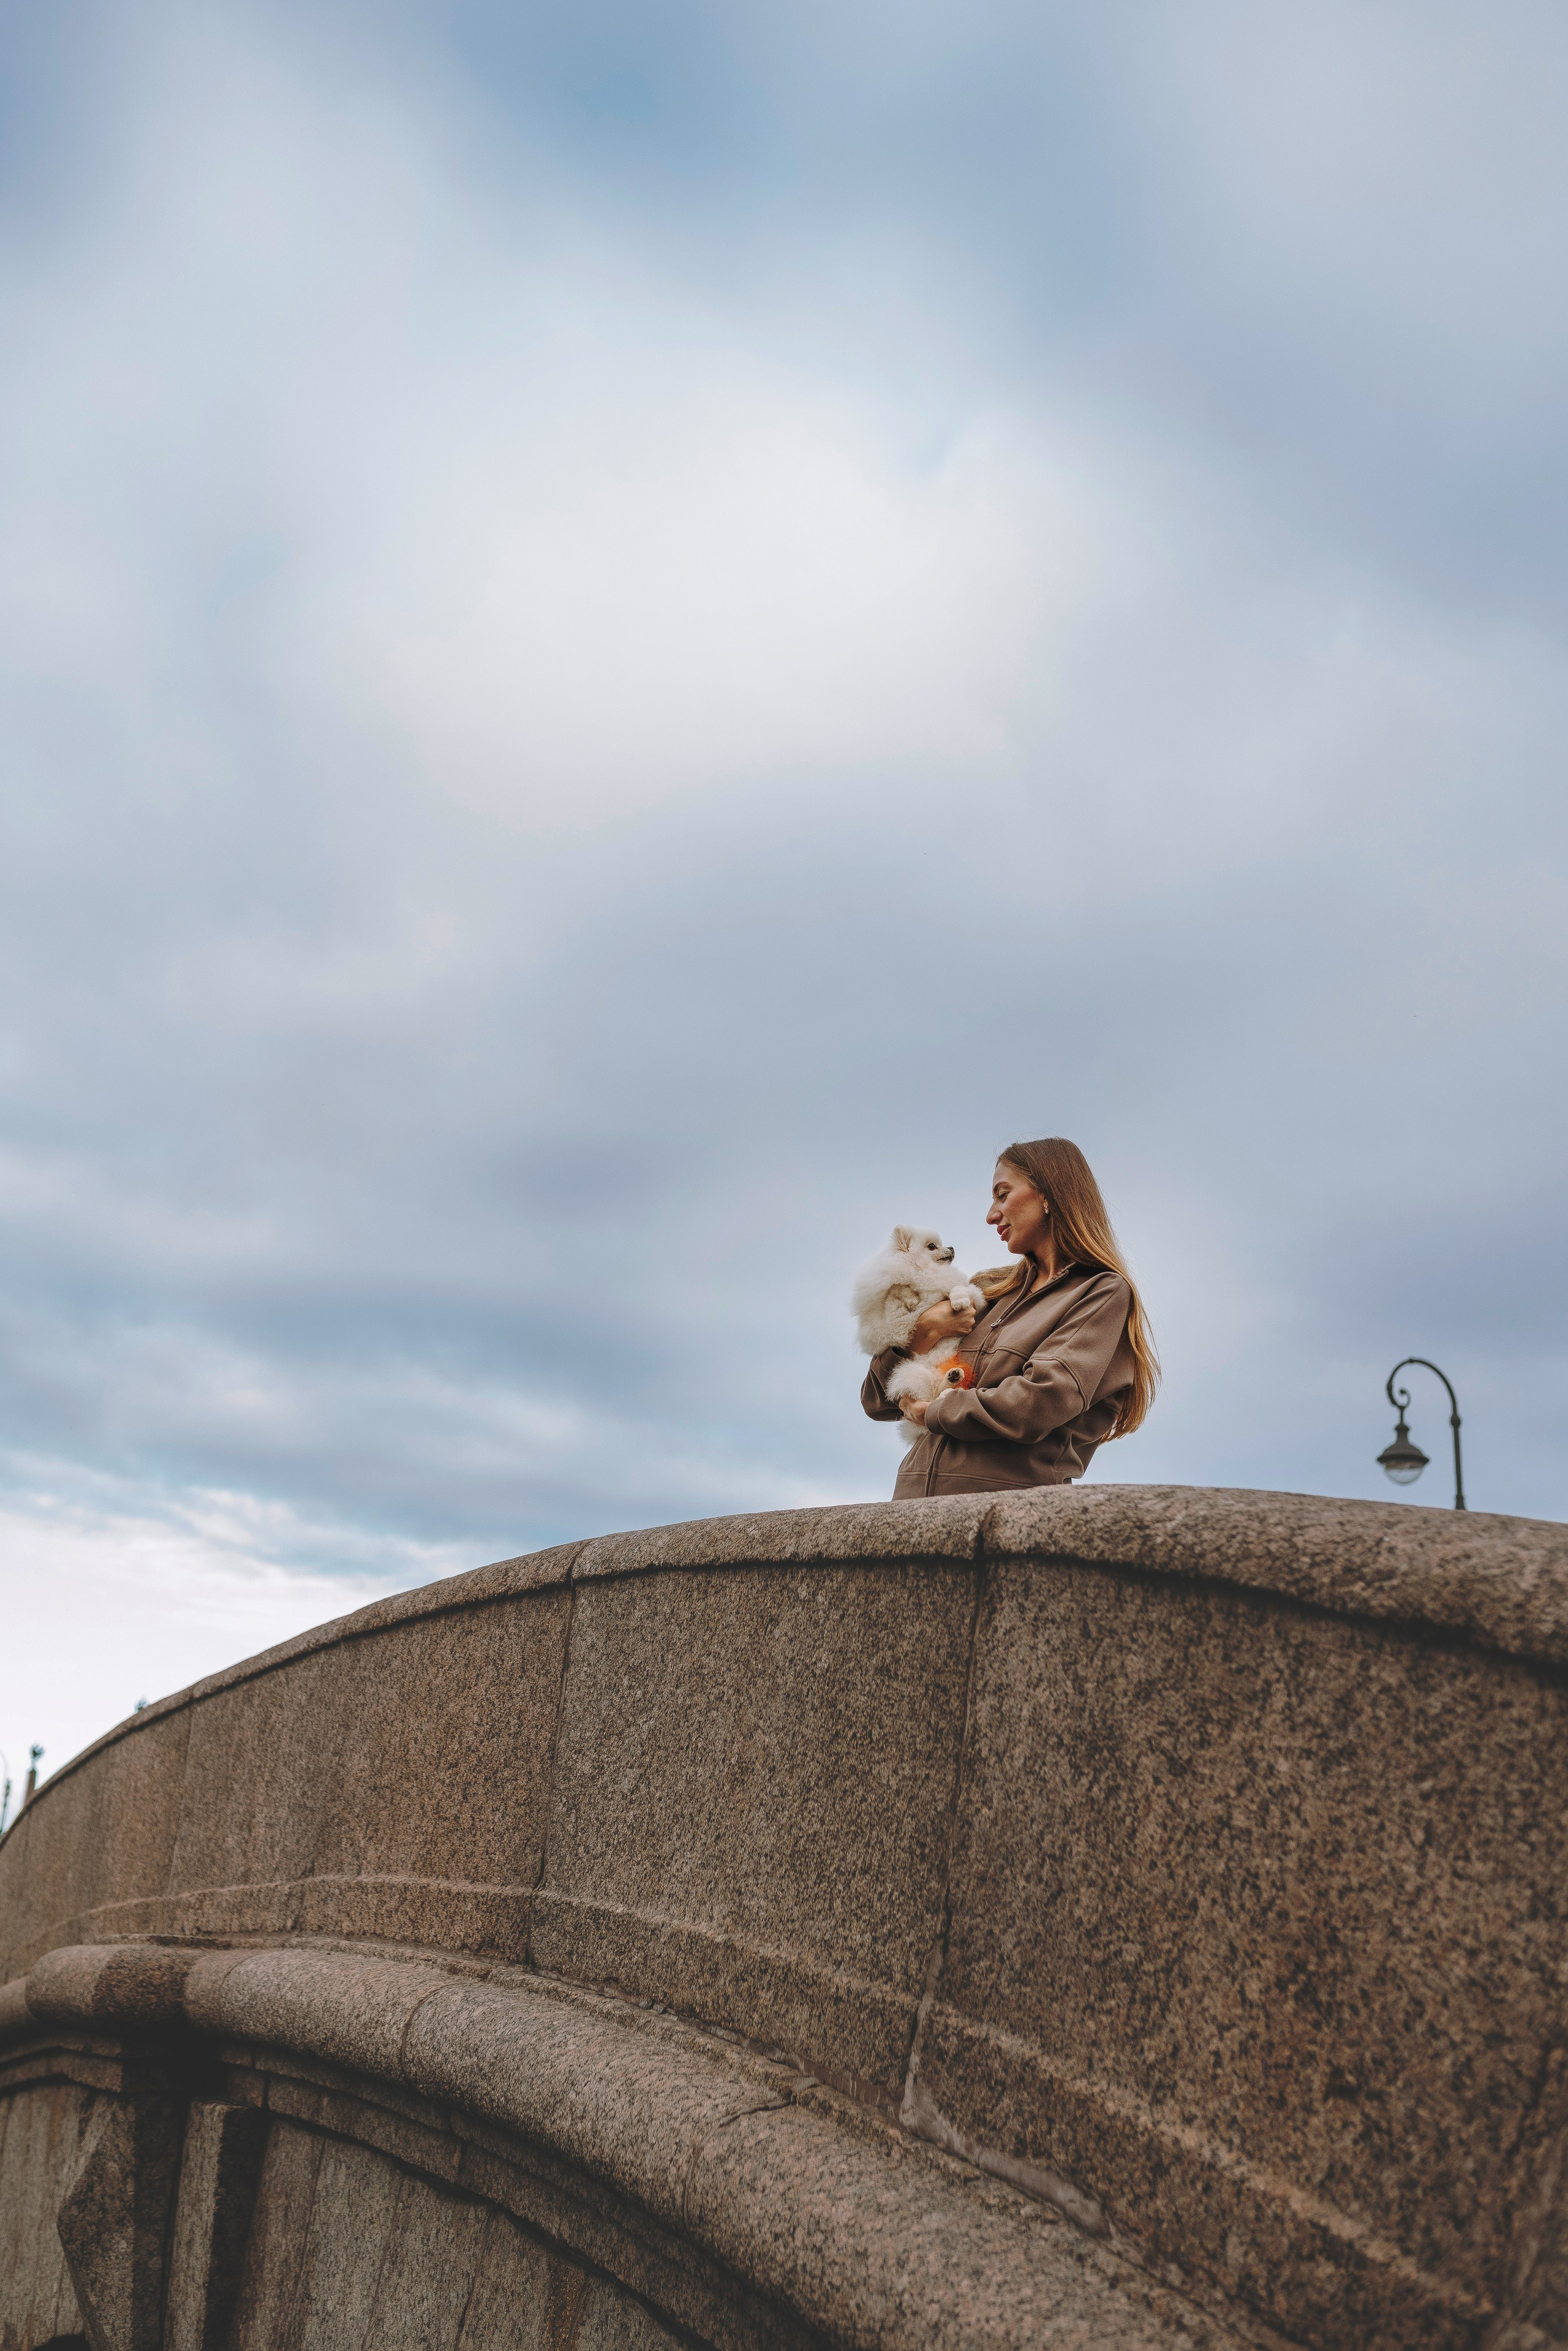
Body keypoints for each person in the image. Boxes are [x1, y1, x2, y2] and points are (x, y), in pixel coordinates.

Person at [860, 1137, 1158, 1498]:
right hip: (908, 1509)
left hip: (1006, 1516)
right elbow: (876, 1401)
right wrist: (920, 1334)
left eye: (1003, 1195)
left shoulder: (1101, 1294)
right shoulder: (987, 1289)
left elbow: (1037, 1403)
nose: (991, 1215)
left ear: (1049, 1194)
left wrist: (933, 1412)